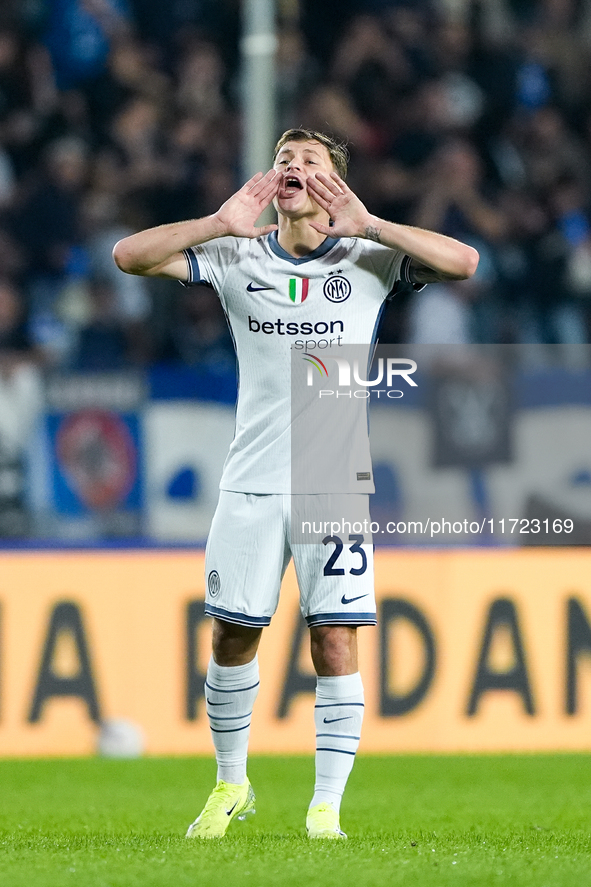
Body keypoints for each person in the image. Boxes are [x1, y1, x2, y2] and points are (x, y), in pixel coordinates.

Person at [113, 128, 478, 839]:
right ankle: (230, 783)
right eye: (284, 159)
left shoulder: (367, 258)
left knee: (334, 642)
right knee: (230, 637)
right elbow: (129, 256)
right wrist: (218, 222)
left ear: (332, 184)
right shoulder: (236, 253)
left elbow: (464, 261)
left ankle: (324, 808)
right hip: (249, 477)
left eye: (309, 162)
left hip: (331, 478)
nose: (292, 168)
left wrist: (369, 220)